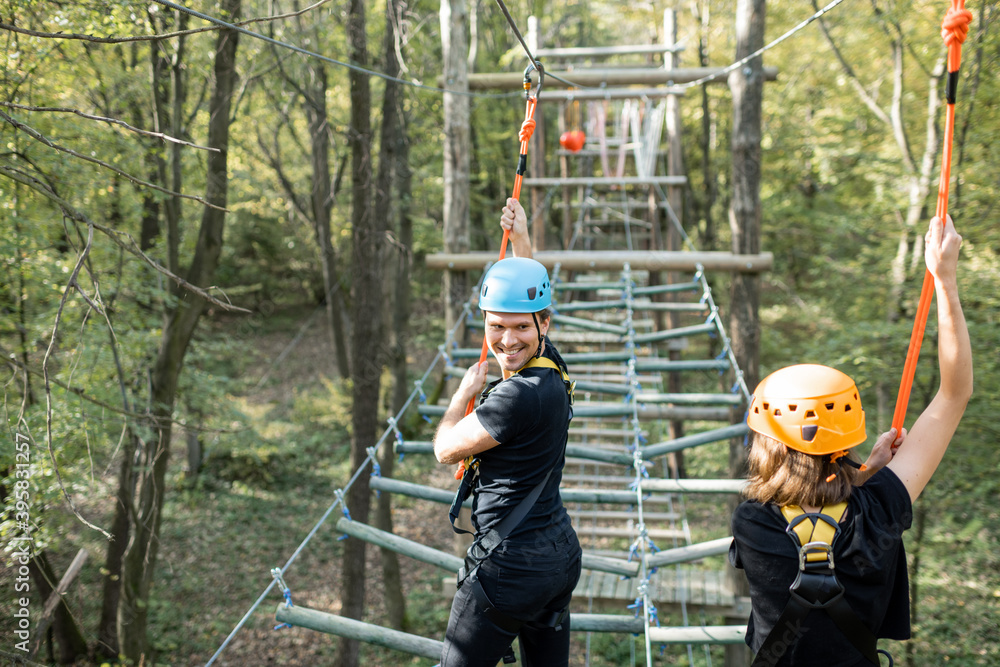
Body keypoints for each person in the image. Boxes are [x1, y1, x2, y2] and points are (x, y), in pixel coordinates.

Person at [730, 215, 973, 666]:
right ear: (846, 438)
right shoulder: (879, 509)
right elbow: (954, 394)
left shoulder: (752, 523)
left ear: (766, 441)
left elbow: (807, 516)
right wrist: (946, 280)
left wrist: (866, 477)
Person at [435, 198, 582, 667]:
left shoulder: (513, 398)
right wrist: (521, 243)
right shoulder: (550, 365)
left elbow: (444, 450)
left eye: (520, 328)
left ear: (543, 324)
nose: (508, 340)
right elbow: (529, 297)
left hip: (510, 567)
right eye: (496, 327)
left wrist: (461, 396)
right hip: (559, 557)